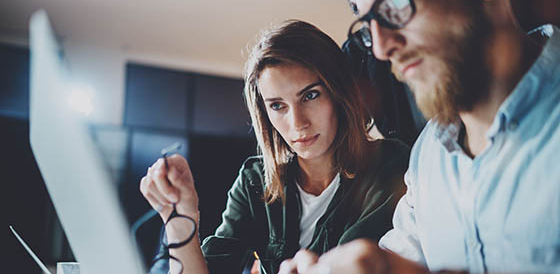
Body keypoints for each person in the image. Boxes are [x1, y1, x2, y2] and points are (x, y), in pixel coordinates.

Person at [279, 0, 560, 273]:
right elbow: (402, 252)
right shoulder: (427, 156)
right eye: (368, 25)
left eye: (396, 4)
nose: (381, 48)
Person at [139, 20, 410, 274]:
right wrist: (179, 216)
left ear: (339, 93)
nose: (297, 122)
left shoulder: (390, 165)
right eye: (277, 106)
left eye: (310, 95)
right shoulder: (255, 181)